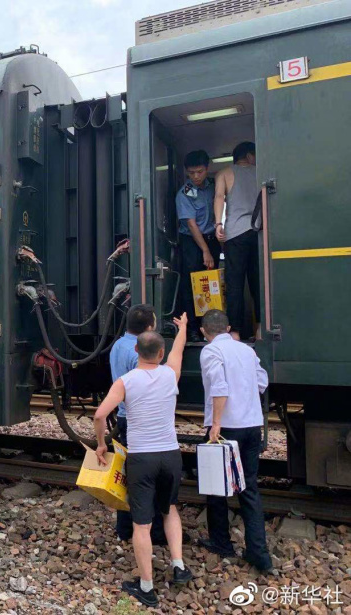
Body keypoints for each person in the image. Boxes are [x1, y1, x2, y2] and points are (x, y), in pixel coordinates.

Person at [93, 315, 192, 608]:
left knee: (142, 524)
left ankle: (147, 586)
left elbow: (100, 415)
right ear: (160, 354)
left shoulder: (126, 381)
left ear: (135, 351)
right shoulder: (169, 374)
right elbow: (179, 350)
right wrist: (183, 328)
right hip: (171, 455)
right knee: (169, 509)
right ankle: (178, 565)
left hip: (142, 459)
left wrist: (101, 444)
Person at [198, 309, 272, 571]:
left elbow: (219, 387)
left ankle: (221, 543)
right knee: (249, 488)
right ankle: (258, 553)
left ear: (204, 331)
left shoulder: (210, 352)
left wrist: (215, 423)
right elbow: (262, 381)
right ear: (228, 328)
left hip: (227, 427)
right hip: (252, 425)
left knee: (217, 488)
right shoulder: (246, 350)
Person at [109, 304, 166, 544]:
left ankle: (124, 528)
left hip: (123, 416)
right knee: (146, 479)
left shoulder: (116, 347)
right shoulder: (138, 354)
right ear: (149, 328)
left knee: (127, 475)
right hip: (137, 420)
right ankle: (154, 532)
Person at [214, 141, 260, 340]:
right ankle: (260, 330)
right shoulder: (262, 172)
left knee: (235, 285)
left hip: (234, 235)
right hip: (258, 232)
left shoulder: (224, 173)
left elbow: (218, 197)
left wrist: (218, 224)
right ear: (249, 156)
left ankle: (234, 333)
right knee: (258, 284)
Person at [176, 150, 221, 341]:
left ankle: (210, 330)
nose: (195, 176)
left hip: (211, 238)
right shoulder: (184, 194)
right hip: (192, 243)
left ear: (207, 169)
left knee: (211, 286)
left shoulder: (213, 187)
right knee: (192, 285)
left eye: (200, 172)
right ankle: (193, 330)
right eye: (191, 172)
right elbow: (191, 224)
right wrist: (205, 251)